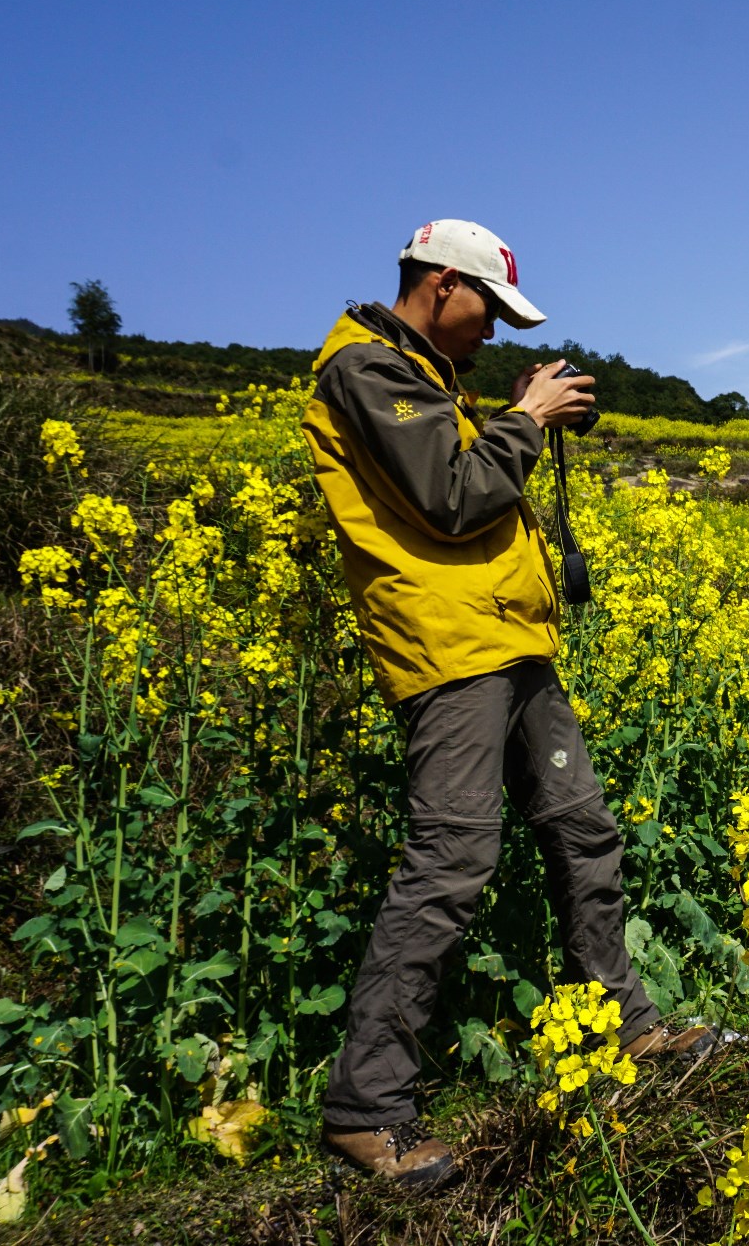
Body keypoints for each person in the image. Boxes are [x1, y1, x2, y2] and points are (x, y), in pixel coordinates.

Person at [301, 220, 713, 1188]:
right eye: (487, 308)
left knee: (583, 829)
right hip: (449, 653)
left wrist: (520, 421)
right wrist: (525, 418)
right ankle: (367, 1112)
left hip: (511, 640)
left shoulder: (427, 375)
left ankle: (627, 1032)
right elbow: (450, 496)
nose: (493, 331)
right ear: (443, 285)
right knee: (450, 861)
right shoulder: (363, 371)